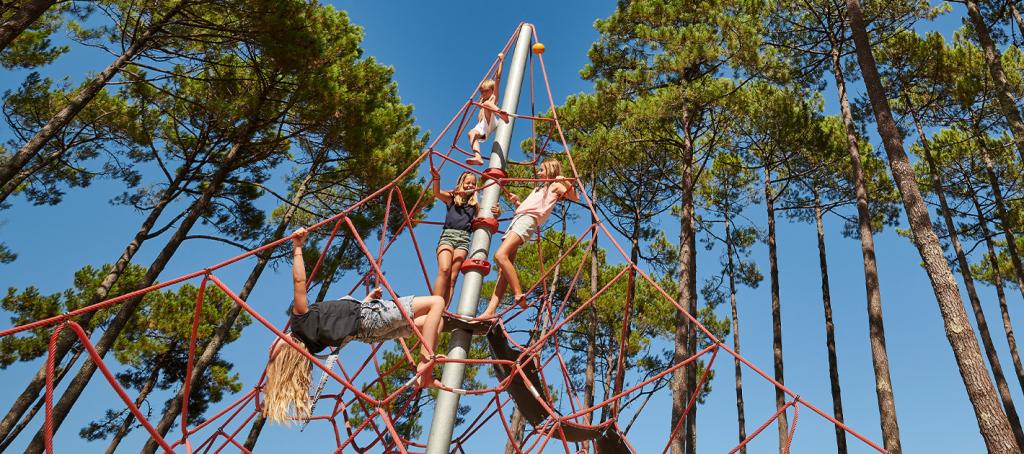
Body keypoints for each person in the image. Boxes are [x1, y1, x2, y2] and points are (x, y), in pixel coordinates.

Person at [262, 227, 445, 425]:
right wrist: (297, 247)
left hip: (367, 332)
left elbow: (344, 324)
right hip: (369, 317)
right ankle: (424, 367)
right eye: (274, 344)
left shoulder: (312, 348)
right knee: (437, 303)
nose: (275, 339)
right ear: (286, 344)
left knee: (434, 322)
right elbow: (299, 281)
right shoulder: (300, 323)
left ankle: (426, 366)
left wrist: (365, 300)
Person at [481, 159, 578, 317]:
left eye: (542, 170)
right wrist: (517, 202)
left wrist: (564, 180)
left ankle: (519, 294)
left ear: (550, 170)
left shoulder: (555, 185)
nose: (538, 173)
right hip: (519, 219)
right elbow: (529, 207)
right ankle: (490, 311)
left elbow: (575, 197)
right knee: (503, 270)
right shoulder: (539, 188)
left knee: (500, 255)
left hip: (527, 221)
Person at [431, 168, 500, 304]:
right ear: (461, 183)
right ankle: (434, 305)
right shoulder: (451, 198)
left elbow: (486, 217)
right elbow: (436, 192)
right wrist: (437, 179)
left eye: (473, 184)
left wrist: (497, 213)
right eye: (467, 183)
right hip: (448, 236)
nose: (470, 186)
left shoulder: (475, 206)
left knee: (452, 278)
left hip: (463, 240)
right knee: (444, 269)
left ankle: (444, 310)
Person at [466, 52, 510, 166]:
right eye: (482, 91)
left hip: (491, 119)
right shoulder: (481, 100)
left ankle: (502, 115)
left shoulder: (493, 97)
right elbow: (482, 89)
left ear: (491, 90)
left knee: (486, 104)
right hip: (482, 127)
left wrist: (501, 62)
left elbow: (498, 78)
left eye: (486, 91)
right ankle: (478, 156)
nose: (484, 93)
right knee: (471, 134)